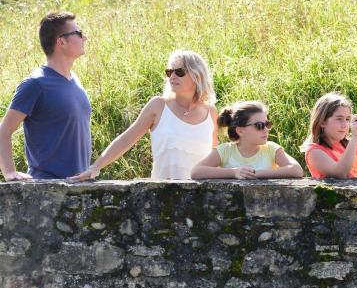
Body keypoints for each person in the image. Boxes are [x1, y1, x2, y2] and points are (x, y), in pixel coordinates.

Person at [71, 50, 217, 181]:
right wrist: (95, 167)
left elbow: (214, 158)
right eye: (169, 72)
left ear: (197, 74)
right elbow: (126, 139)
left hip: (201, 200)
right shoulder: (158, 106)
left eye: (179, 72)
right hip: (164, 197)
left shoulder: (210, 113)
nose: (172, 76)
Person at [0, 11, 91, 180]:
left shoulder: (75, 81)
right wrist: (9, 172)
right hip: (47, 190)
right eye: (78, 33)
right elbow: (3, 130)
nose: (84, 37)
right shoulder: (35, 84)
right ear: (61, 41)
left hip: (79, 189)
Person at [191, 101, 303, 179]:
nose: (266, 129)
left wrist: (257, 173)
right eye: (259, 125)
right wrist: (234, 172)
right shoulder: (225, 151)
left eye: (267, 124)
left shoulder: (272, 149)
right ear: (240, 131)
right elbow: (196, 171)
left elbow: (297, 170)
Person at [301, 92, 357, 179]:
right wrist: (354, 139)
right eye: (339, 119)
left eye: (347, 119)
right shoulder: (314, 151)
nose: (345, 125)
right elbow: (340, 174)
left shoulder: (356, 146)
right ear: (322, 122)